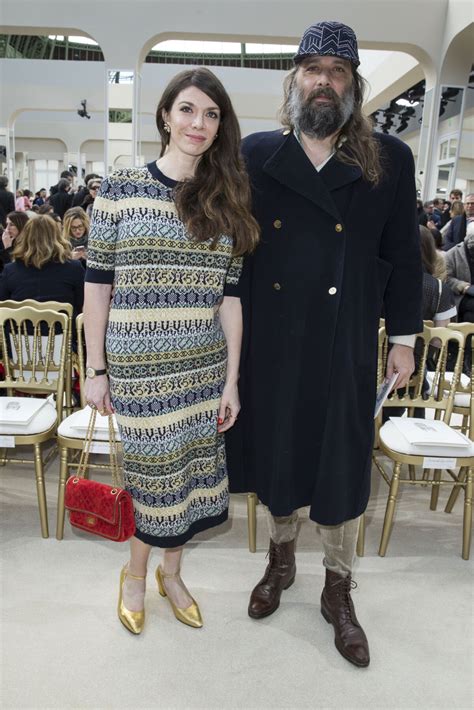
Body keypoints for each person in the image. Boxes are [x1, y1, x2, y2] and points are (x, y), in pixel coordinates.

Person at [225, 20, 422, 668]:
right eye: (313, 69)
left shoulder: (389, 160)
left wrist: (404, 337)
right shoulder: (256, 156)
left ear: (353, 86)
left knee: (339, 464)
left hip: (344, 338)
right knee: (279, 448)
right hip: (274, 338)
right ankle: (281, 561)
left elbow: (402, 255)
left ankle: (339, 589)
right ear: (295, 80)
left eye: (337, 72)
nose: (323, 81)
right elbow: (232, 257)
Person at [83, 67, 259, 636]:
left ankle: (172, 574)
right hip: (136, 368)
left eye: (211, 114)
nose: (198, 123)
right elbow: (97, 285)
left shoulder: (227, 197)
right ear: (164, 114)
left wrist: (232, 380)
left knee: (191, 477)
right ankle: (136, 576)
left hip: (202, 368)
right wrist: (96, 369)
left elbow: (229, 299)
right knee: (154, 477)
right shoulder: (122, 186)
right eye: (187, 109)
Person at [0, 214, 84, 321]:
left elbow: (3, 306)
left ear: (26, 237)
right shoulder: (74, 268)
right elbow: (82, 304)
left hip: (19, 335)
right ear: (56, 236)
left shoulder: (10, 271)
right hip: (62, 334)